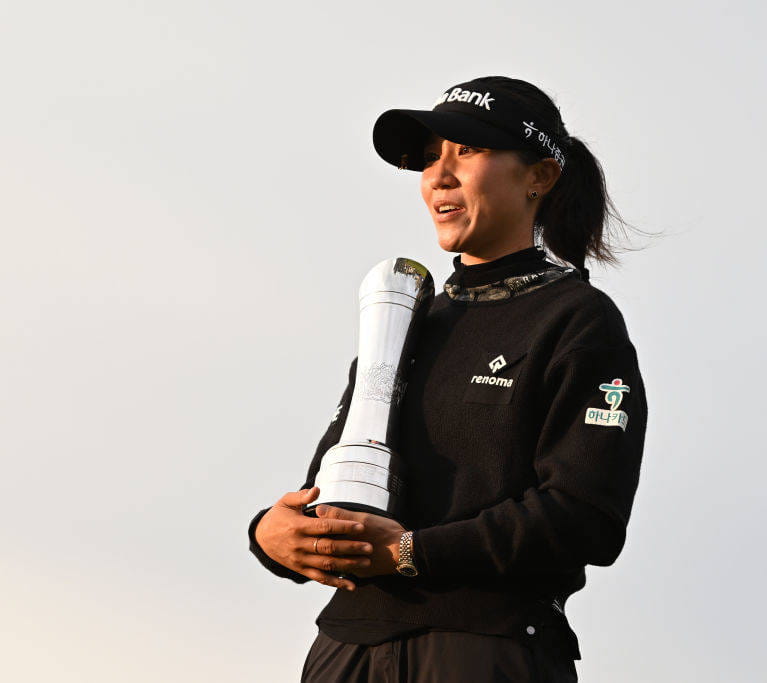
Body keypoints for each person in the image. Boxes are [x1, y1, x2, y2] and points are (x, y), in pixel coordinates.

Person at [247, 76, 648, 682]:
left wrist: (410, 554)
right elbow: (336, 490)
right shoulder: (406, 319)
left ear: (539, 176)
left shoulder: (577, 321)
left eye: (467, 151)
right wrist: (271, 535)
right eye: (431, 157)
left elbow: (583, 517)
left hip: (486, 649)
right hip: (347, 651)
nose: (439, 175)